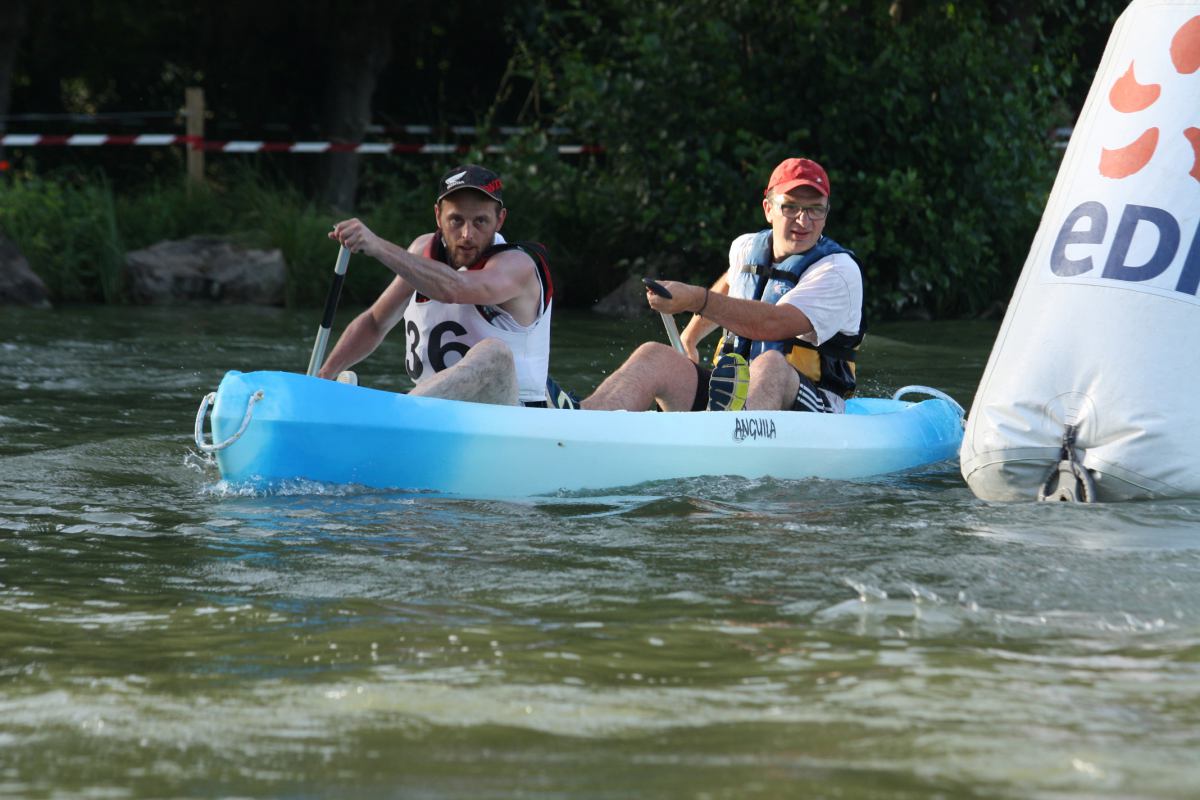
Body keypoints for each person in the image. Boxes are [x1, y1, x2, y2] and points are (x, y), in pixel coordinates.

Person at [582, 157, 864, 413]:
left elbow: (773, 324)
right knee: (653, 355)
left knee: (770, 365)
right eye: (790, 207)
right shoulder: (746, 248)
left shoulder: (838, 271)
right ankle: (582, 417)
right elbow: (733, 281)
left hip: (813, 408)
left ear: (826, 214)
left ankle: (732, 431)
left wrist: (697, 299)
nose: (804, 220)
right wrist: (690, 337)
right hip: (734, 398)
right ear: (768, 209)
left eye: (815, 210)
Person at [318, 165, 555, 406]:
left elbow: (454, 289)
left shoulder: (517, 265)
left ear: (500, 220)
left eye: (480, 221)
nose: (467, 234)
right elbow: (374, 323)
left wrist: (377, 246)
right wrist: (322, 379)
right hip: (435, 411)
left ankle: (393, 413)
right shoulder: (420, 253)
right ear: (438, 216)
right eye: (456, 220)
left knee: (495, 353)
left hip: (512, 412)